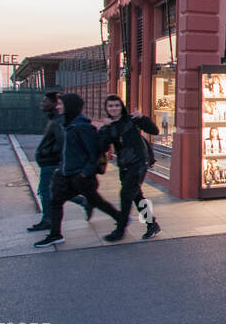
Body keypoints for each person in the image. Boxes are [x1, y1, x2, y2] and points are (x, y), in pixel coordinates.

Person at [33, 93, 125, 247]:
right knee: (56, 202)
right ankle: (55, 234)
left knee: (97, 201)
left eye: (60, 104)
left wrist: (85, 173)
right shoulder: (67, 124)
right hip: (66, 174)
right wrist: (61, 169)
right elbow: (67, 151)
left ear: (69, 106)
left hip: (80, 177)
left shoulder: (82, 126)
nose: (58, 106)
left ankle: (120, 219)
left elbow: (94, 152)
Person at [99, 95, 162, 242]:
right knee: (136, 195)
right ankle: (152, 224)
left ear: (121, 106)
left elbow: (155, 130)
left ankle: (120, 230)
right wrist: (106, 129)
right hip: (125, 164)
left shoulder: (132, 120)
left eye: (116, 105)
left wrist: (142, 118)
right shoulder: (109, 126)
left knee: (126, 195)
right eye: (110, 106)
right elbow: (102, 147)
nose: (114, 108)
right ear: (107, 109)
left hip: (139, 163)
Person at [29, 92, 88, 231]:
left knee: (46, 191)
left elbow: (64, 143)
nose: (42, 104)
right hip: (50, 161)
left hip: (52, 162)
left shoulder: (59, 120)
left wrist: (59, 162)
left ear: (54, 104)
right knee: (55, 191)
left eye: (45, 101)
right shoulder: (55, 118)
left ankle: (48, 220)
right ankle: (84, 201)